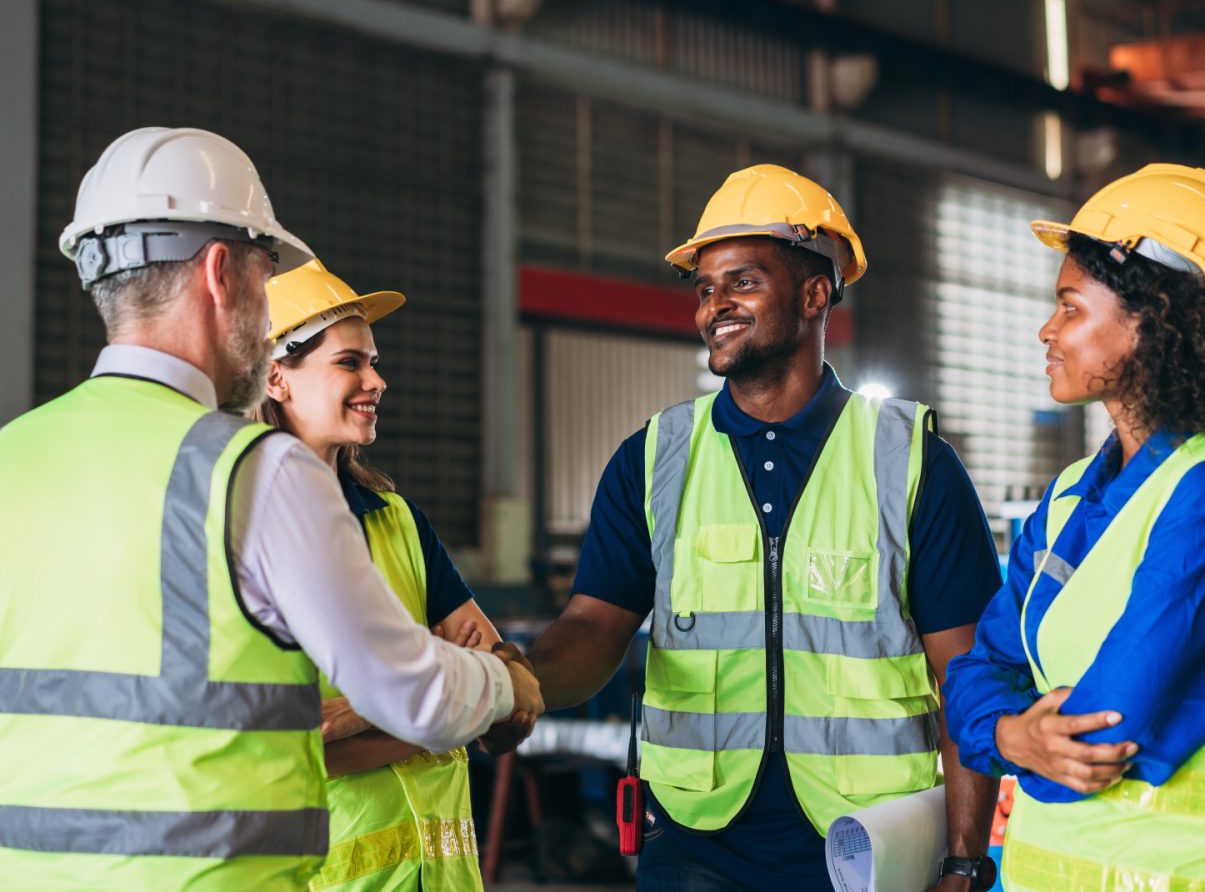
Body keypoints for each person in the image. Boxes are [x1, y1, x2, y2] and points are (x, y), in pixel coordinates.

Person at [0, 127, 541, 890]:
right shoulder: (250, 470)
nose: (263, 311)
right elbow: (414, 693)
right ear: (221, 274)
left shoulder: (11, 458)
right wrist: (506, 686)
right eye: (264, 278)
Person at [527, 164, 1003, 891]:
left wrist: (966, 859)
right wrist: (511, 683)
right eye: (705, 287)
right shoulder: (654, 459)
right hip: (694, 841)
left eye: (742, 281)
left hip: (871, 846)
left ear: (816, 295)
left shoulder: (911, 464)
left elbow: (966, 675)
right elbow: (592, 626)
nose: (714, 304)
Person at [943, 164, 1205, 890]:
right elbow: (973, 674)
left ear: (1150, 321)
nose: (1046, 330)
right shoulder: (1064, 499)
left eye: (1071, 309)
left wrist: (1004, 739)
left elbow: (1103, 737)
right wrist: (1009, 732)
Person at [257, 258, 499, 891]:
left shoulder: (397, 519)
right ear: (277, 378)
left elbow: (494, 679)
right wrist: (433, 686)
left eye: (374, 362)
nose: (376, 381)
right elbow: (274, 740)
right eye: (349, 363)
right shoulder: (240, 529)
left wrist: (362, 713)